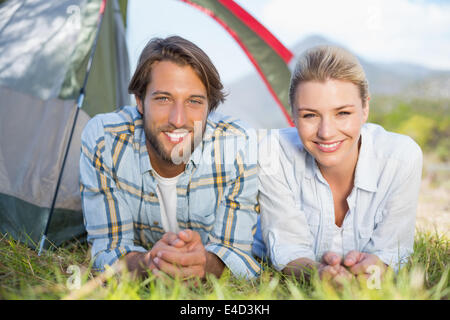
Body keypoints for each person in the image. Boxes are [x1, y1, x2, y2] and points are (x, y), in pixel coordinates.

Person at [80, 36, 260, 280]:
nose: (178, 119)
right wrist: (148, 263)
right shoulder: (104, 140)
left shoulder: (238, 145)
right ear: (140, 102)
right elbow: (107, 249)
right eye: (163, 98)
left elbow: (238, 253)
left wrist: (204, 263)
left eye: (194, 101)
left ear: (210, 107)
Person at [254, 45, 423, 285]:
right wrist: (318, 275)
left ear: (365, 108)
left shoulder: (401, 158)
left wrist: (375, 269)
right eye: (309, 115)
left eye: (342, 113)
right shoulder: (273, 153)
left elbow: (391, 252)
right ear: (292, 113)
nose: (326, 132)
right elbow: (287, 250)